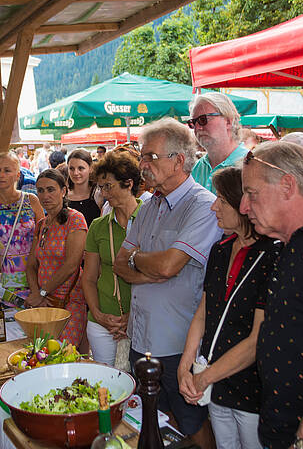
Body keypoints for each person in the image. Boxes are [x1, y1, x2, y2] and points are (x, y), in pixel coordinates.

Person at [114, 117, 222, 448]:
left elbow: (171, 265)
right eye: (142, 156)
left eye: (150, 157)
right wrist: (153, 265)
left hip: (178, 341)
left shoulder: (203, 206)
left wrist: (146, 261)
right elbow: (120, 263)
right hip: (142, 337)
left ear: (178, 160)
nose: (142, 164)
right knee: (154, 420)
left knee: (193, 423)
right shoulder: (148, 206)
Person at [178, 167, 279, 449]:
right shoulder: (221, 249)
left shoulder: (274, 254)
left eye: (221, 200)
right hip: (214, 383)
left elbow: (257, 340)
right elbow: (204, 311)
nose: (214, 206)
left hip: (250, 386)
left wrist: (201, 378)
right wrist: (185, 366)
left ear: (241, 204)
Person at [240, 142, 303, 449]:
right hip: (279, 425)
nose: (243, 206)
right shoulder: (285, 245)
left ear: (287, 185)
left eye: (251, 193)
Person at [82, 151, 142, 365]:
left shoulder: (151, 219)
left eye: (109, 186)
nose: (104, 193)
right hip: (102, 323)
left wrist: (131, 319)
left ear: (128, 183)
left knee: (138, 390)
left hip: (141, 322)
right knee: (106, 388)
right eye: (101, 187)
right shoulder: (98, 226)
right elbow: (88, 278)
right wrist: (98, 315)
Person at [25, 169, 88, 348]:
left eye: (51, 189)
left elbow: (72, 265)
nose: (45, 195)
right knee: (44, 355)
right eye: (40, 190)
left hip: (69, 302)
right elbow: (31, 265)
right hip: (44, 303)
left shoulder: (75, 220)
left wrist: (42, 292)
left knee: (62, 354)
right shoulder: (41, 224)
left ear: (63, 190)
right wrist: (36, 293)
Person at [0, 152, 43, 305]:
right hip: (5, 280)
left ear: (17, 175)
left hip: (35, 276)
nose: (1, 174)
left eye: (7, 170)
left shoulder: (31, 200)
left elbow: (43, 238)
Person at [188, 92, 248, 194]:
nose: (197, 127)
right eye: (193, 122)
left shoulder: (249, 166)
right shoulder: (197, 168)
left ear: (228, 121)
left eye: (203, 119)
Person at [67, 149, 101, 228]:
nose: (76, 173)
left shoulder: (99, 195)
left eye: (81, 168)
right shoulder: (63, 196)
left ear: (91, 168)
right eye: (71, 168)